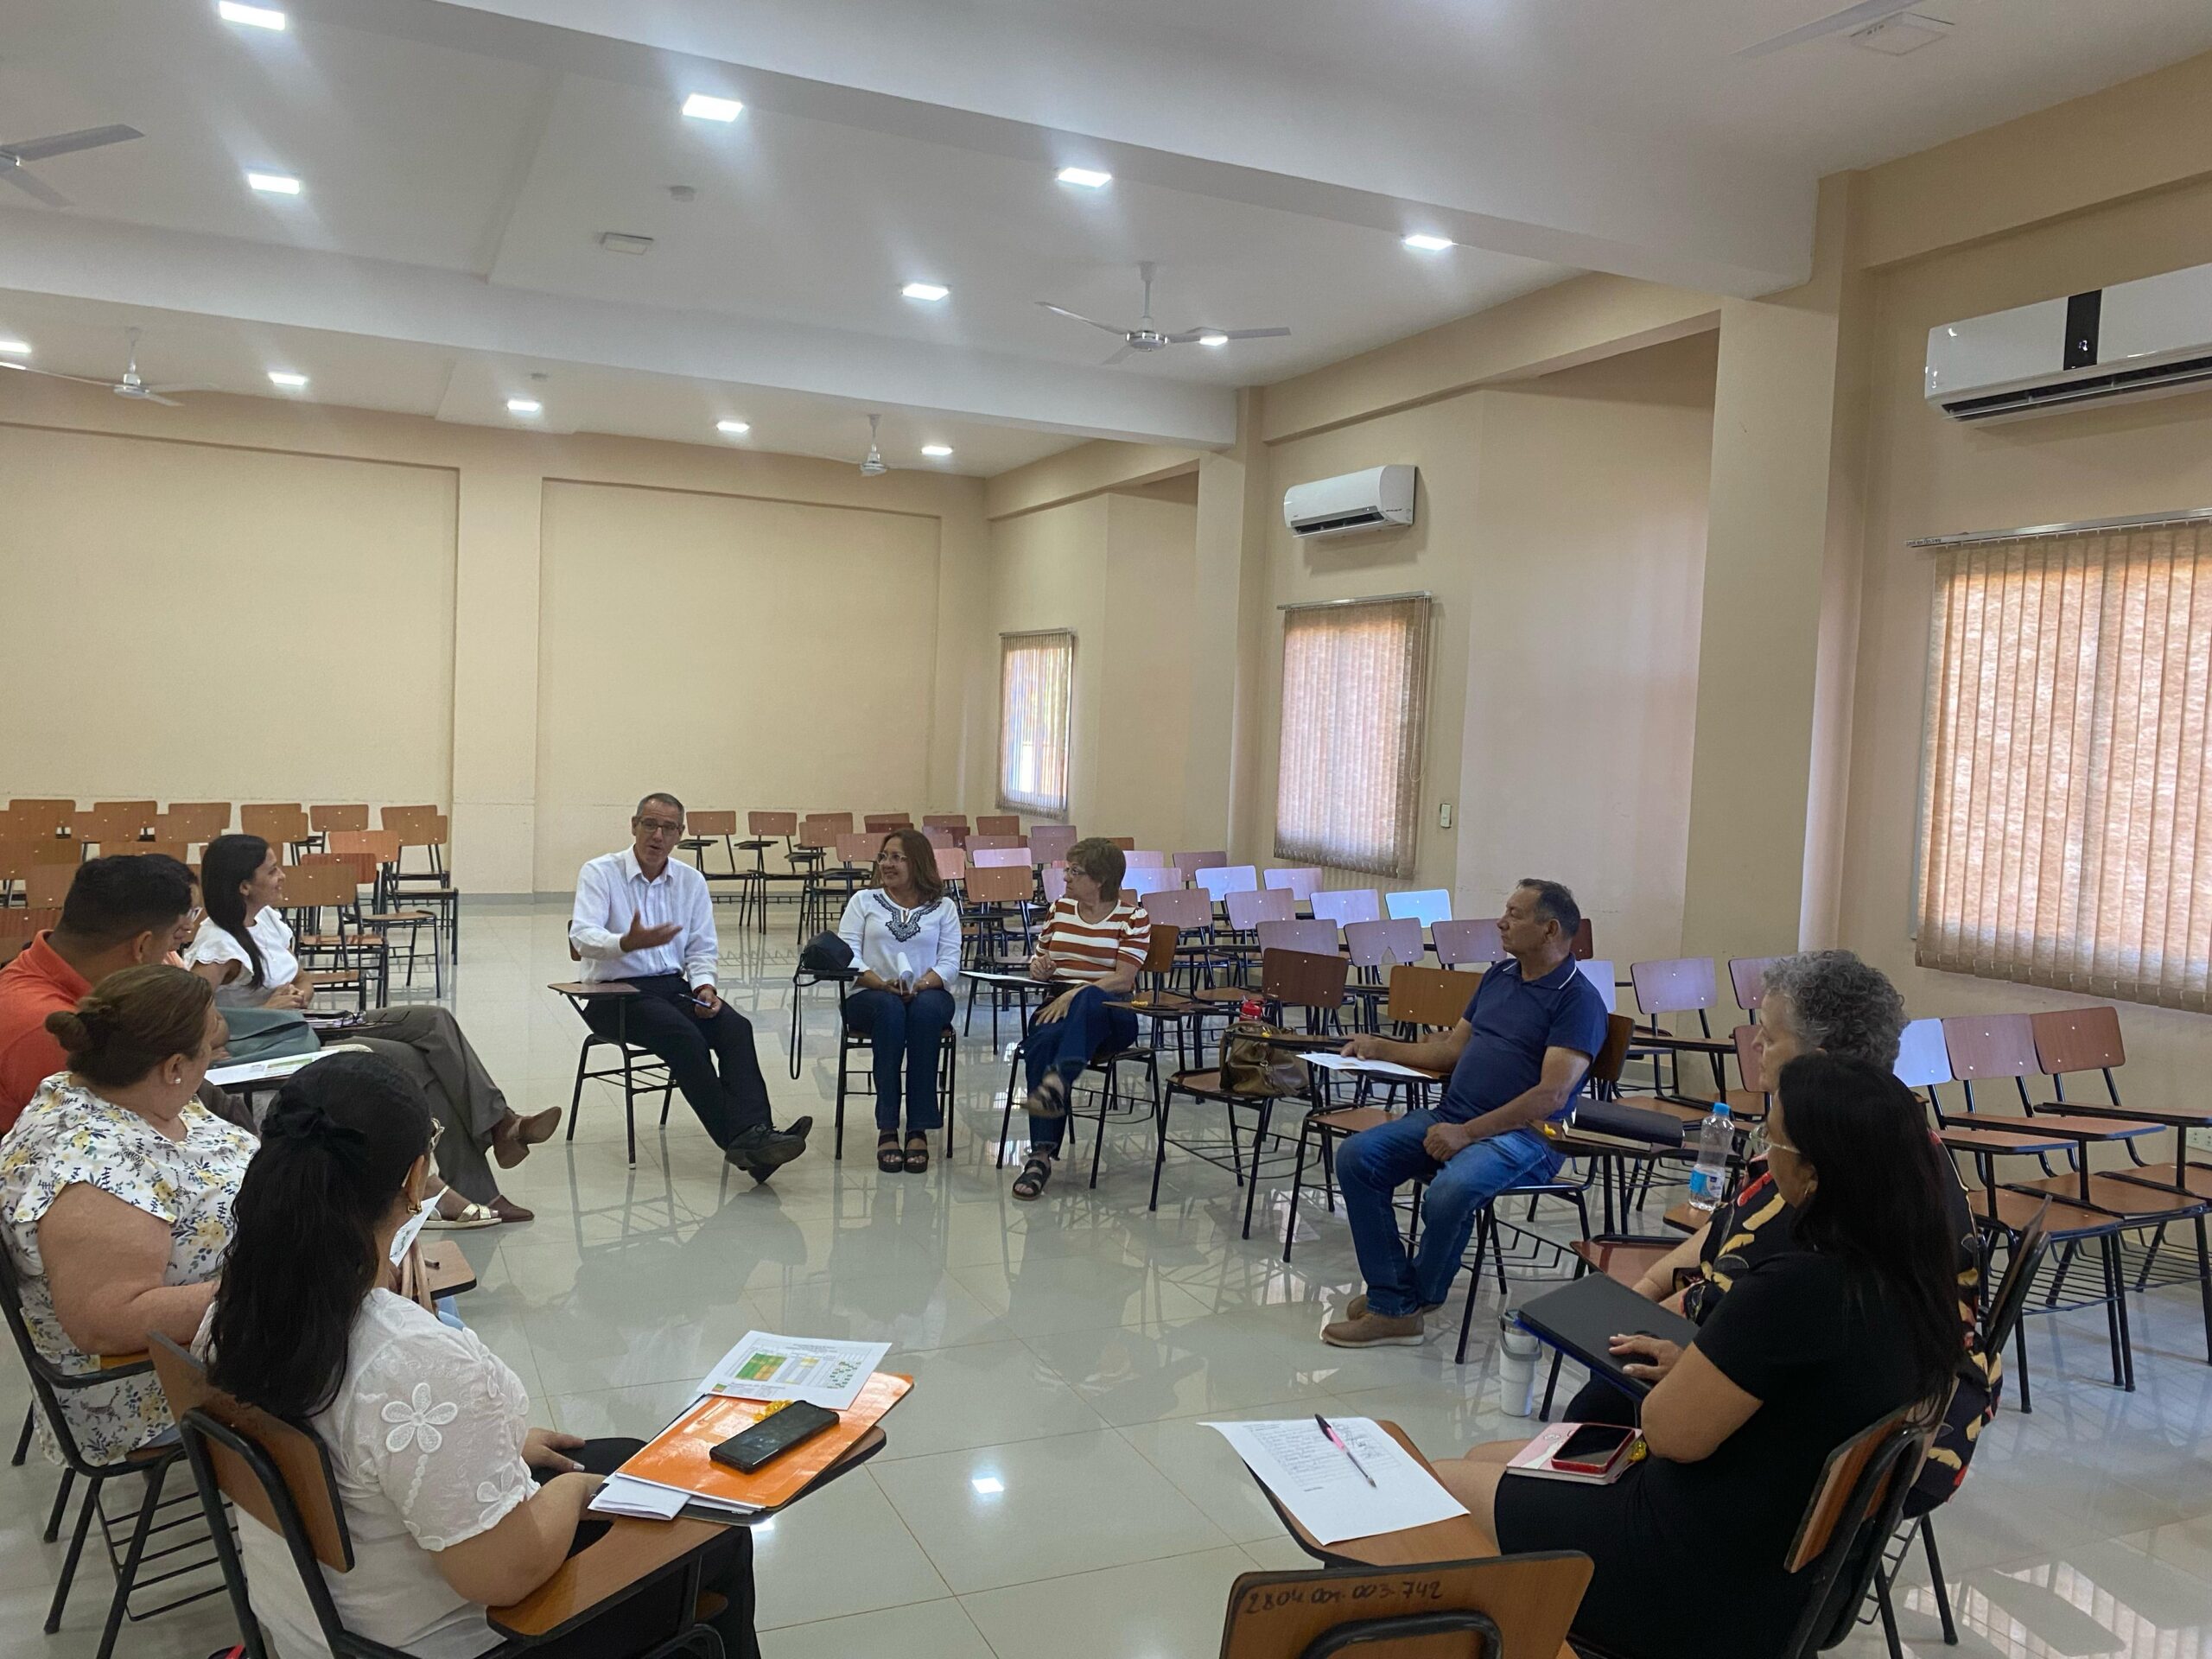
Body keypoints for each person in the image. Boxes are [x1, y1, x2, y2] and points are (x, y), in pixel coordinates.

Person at [202, 1052, 760, 1658]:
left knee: (626, 1460)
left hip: (314, 1623)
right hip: (454, 1642)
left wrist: (488, 1443)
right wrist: (567, 1496)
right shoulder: (411, 1359)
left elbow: (347, 1445)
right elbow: (502, 1576)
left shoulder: (236, 1307)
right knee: (715, 1534)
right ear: (414, 1179)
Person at [1429, 1054, 1963, 1659]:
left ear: (1813, 1175)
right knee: (1487, 1457)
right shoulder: (1920, 1283)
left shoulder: (1800, 1284)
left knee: (1440, 1489)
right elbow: (1797, 1403)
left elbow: (1670, 1433)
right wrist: (1704, 1371)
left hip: (1692, 1579)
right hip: (1793, 1581)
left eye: (1772, 1139)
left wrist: (1696, 1373)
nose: (1762, 1151)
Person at [185, 834, 556, 1224]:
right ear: (244, 885)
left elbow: (302, 976)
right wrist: (266, 1010)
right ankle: (490, 1162)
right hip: (278, 1045)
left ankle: (500, 1124)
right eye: (272, 870)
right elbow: (191, 1013)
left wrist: (300, 993)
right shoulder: (218, 945)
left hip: (308, 1023)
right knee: (415, 1062)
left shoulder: (265, 921)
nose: (281, 877)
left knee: (434, 1020)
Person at [1321, 879, 1608, 1349]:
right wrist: (1381, 1048)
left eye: (1515, 914)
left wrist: (1467, 1134)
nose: (1501, 922)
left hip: (1527, 1137)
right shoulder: (1500, 977)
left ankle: (1404, 1303)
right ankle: (1396, 1301)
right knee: (1358, 1157)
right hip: (1455, 1116)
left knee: (1450, 1190)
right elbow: (1452, 1052)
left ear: (1550, 929)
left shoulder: (1578, 1000)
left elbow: (1551, 1097)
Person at [0, 966, 254, 1466]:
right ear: (175, 1065)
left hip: (221, 1333)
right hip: (152, 1393)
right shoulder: (93, 1173)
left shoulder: (121, 1091)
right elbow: (106, 1322)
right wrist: (284, 1287)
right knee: (399, 1351)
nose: (218, 1045)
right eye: (210, 1040)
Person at [570, 793, 809, 1176]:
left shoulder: (690, 881)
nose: (657, 835)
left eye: (668, 828)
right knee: (684, 1036)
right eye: (650, 824)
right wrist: (624, 943)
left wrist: (704, 989)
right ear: (634, 826)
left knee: (734, 1027)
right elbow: (581, 937)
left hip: (671, 987)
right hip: (612, 995)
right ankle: (744, 1140)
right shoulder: (600, 872)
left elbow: (701, 948)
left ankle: (756, 1135)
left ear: (680, 834)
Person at [0, 854, 243, 1132]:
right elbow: (123, 1137)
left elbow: (211, 1024)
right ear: (142, 946)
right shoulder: (45, 1027)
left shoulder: (142, 962)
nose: (185, 935)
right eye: (175, 934)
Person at [1009, 837, 1151, 1202]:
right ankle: (1040, 1156)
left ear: (1100, 879)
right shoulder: (1059, 910)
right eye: (1067, 870)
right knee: (1041, 1042)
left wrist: (1076, 993)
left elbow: (1124, 978)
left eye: (1076, 872)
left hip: (1111, 1013)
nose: (1066, 878)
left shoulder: (1133, 918)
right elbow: (1040, 959)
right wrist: (1039, 968)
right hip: (1059, 1007)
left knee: (1089, 996)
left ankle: (1060, 1078)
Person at [836, 828, 961, 1173]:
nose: (886, 864)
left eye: (897, 857)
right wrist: (880, 983)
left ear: (917, 862)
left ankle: (918, 1127)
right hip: (869, 995)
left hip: (928, 994)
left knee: (922, 1013)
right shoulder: (863, 901)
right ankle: (888, 1126)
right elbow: (847, 956)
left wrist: (920, 984)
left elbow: (951, 962)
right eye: (884, 856)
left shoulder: (943, 907)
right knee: (890, 1011)